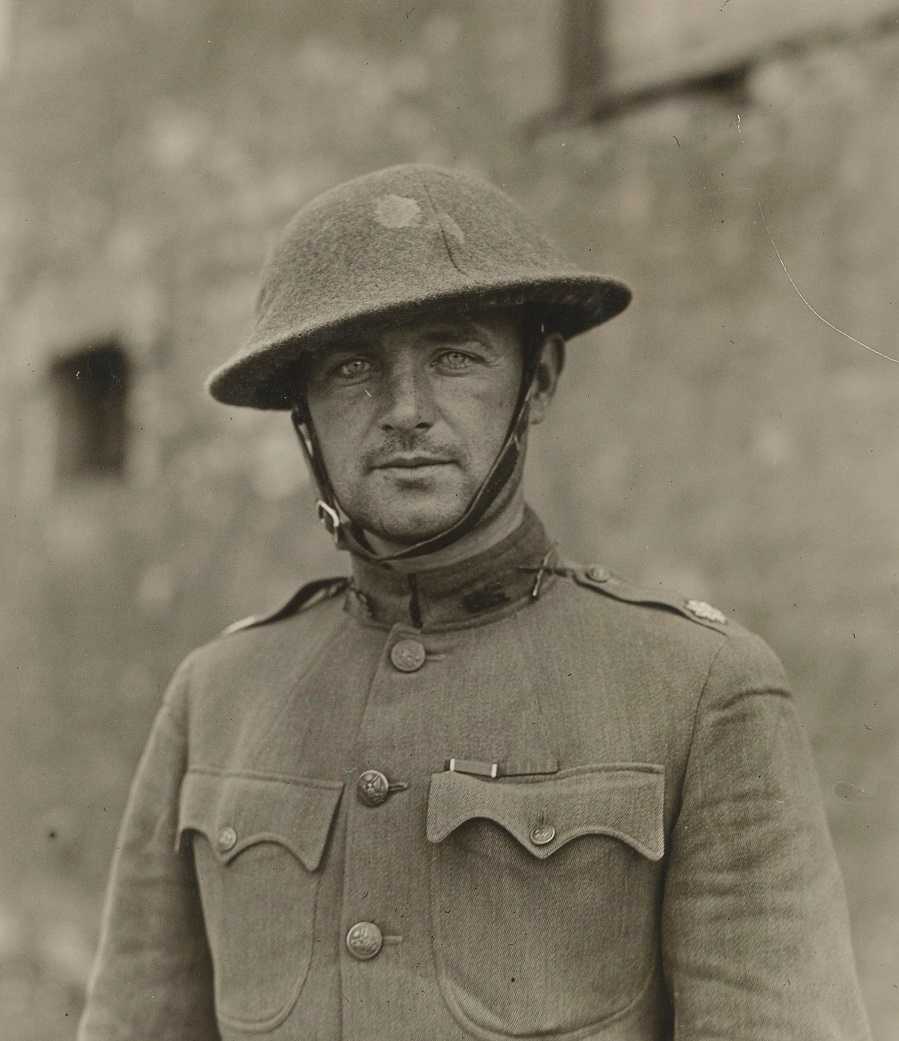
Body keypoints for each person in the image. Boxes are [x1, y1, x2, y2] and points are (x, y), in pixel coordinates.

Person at [78, 164, 870, 1041]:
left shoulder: (700, 688)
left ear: (537, 381)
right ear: (302, 413)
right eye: (350, 368)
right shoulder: (215, 695)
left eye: (455, 356)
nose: (404, 410)